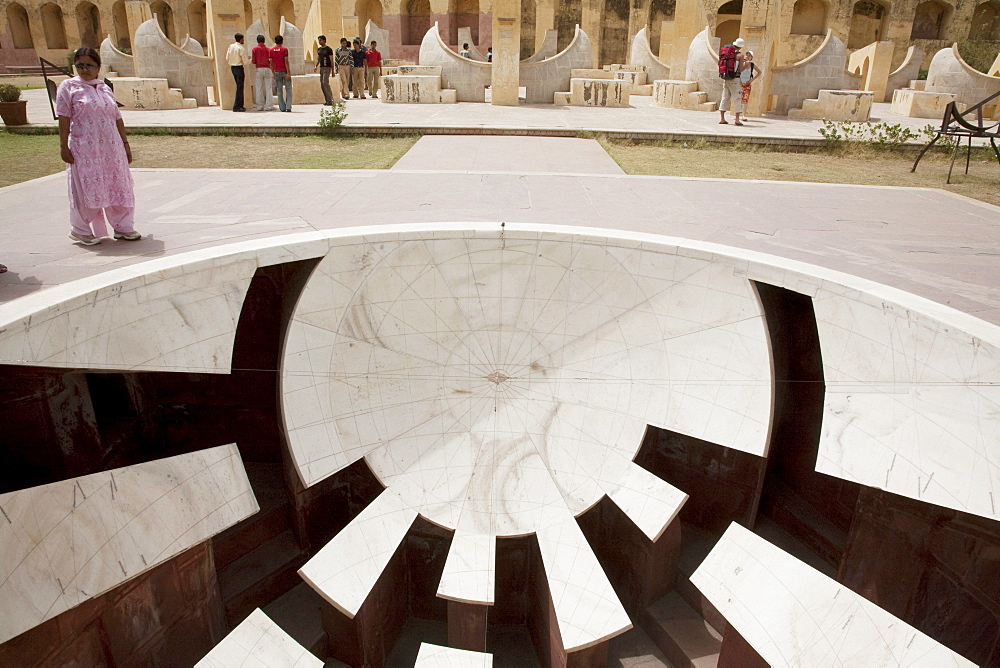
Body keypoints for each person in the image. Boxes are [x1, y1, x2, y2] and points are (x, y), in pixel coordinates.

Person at [57, 47, 140, 245]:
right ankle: (80, 229)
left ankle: (122, 226)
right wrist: (63, 146)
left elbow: (117, 117)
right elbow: (63, 117)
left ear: (98, 67)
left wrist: (125, 144)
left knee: (118, 184)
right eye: (80, 65)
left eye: (90, 66)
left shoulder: (103, 87)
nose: (85, 70)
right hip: (85, 148)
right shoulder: (69, 87)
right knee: (87, 187)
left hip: (112, 148)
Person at [719, 37, 745, 126]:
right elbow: (741, 69)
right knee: (737, 98)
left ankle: (722, 118)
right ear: (740, 47)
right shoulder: (740, 55)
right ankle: (737, 120)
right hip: (735, 79)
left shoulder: (727, 54)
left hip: (726, 77)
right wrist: (746, 64)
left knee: (725, 97)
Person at [226, 33, 249, 112]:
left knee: (239, 86)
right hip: (239, 68)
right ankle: (237, 106)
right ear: (240, 39)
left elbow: (227, 57)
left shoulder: (231, 46)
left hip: (233, 67)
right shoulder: (241, 48)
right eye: (243, 39)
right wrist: (251, 59)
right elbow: (245, 61)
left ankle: (239, 105)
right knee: (240, 87)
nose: (244, 40)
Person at [251, 35, 274, 111]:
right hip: (267, 68)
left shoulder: (254, 49)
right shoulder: (268, 50)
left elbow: (253, 61)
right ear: (264, 41)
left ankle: (260, 106)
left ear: (257, 41)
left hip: (259, 69)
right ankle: (269, 105)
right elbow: (271, 60)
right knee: (268, 88)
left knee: (259, 88)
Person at [271, 34, 292, 112]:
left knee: (279, 90)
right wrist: (288, 73)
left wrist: (273, 72)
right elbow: (286, 61)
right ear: (282, 41)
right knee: (288, 89)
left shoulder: (271, 50)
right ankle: (288, 106)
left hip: (276, 71)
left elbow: (271, 63)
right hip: (284, 71)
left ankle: (282, 107)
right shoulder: (284, 50)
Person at [739, 50, 762, 114]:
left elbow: (759, 72)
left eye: (749, 55)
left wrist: (752, 80)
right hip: (739, 83)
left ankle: (743, 115)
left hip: (747, 84)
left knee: (745, 100)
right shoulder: (741, 63)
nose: (747, 56)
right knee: (738, 99)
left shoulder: (752, 65)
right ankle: (737, 115)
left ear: (751, 58)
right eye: (747, 55)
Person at [315, 35, 334, 105]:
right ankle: (327, 100)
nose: (319, 42)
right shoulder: (319, 50)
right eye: (319, 40)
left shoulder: (328, 49)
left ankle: (330, 99)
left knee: (325, 82)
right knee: (322, 84)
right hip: (322, 68)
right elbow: (319, 58)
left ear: (324, 40)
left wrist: (333, 71)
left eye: (320, 40)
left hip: (327, 67)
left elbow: (331, 60)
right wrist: (316, 66)